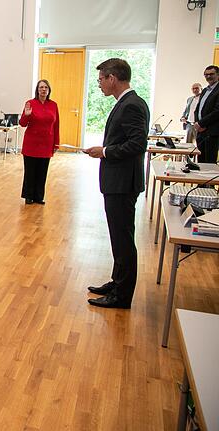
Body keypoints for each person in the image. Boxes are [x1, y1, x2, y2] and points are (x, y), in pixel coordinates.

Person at [83, 58, 149, 309]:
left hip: (122, 182)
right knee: (117, 235)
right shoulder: (127, 102)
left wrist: (105, 151)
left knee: (122, 237)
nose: (99, 84)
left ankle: (122, 295)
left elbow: (137, 144)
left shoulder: (132, 104)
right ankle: (117, 281)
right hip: (117, 180)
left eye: (101, 79)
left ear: (112, 78)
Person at [19, 79, 60, 205]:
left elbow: (56, 125)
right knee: (30, 170)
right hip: (32, 142)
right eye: (41, 87)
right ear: (37, 90)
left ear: (49, 90)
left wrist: (56, 143)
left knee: (43, 171)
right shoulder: (30, 103)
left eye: (46, 88)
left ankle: (39, 196)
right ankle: (28, 196)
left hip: (47, 142)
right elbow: (22, 123)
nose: (43, 90)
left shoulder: (53, 105)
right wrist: (27, 115)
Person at [194, 65, 219, 163]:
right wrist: (197, 123)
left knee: (209, 163)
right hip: (201, 131)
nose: (208, 77)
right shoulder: (205, 90)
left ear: (218, 75)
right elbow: (198, 109)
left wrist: (201, 124)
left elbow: (217, 111)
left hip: (211, 132)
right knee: (200, 161)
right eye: (206, 75)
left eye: (211, 74)